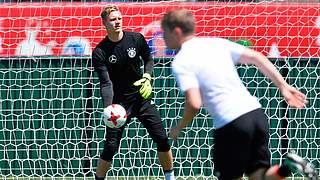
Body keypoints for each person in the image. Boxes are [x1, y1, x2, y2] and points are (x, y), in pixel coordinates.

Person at [161, 8, 318, 180]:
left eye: (165, 33)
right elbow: (256, 57)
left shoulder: (181, 61)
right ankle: (287, 168)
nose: (163, 37)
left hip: (232, 124)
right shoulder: (215, 43)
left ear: (176, 31)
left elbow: (194, 103)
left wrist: (178, 128)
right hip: (256, 114)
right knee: (258, 177)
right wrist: (283, 86)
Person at [92, 5, 175, 180]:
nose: (117, 22)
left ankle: (170, 177)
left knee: (162, 139)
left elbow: (148, 59)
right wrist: (109, 107)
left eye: (119, 18)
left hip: (141, 98)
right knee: (110, 148)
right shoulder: (100, 52)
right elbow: (106, 83)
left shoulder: (136, 39)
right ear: (104, 23)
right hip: (119, 104)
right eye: (113, 20)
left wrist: (147, 76)